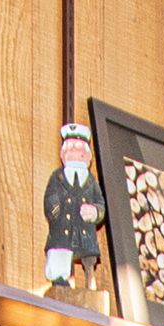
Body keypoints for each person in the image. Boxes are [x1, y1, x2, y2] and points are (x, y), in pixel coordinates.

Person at [40, 121, 109, 296]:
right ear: (63, 155)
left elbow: (101, 205)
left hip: (84, 233)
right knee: (60, 258)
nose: (75, 154)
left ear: (87, 156)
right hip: (63, 232)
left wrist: (94, 212)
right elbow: (50, 197)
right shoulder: (58, 177)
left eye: (79, 151)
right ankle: (61, 283)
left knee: (89, 262)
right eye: (70, 150)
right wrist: (55, 209)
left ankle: (90, 287)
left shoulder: (91, 182)